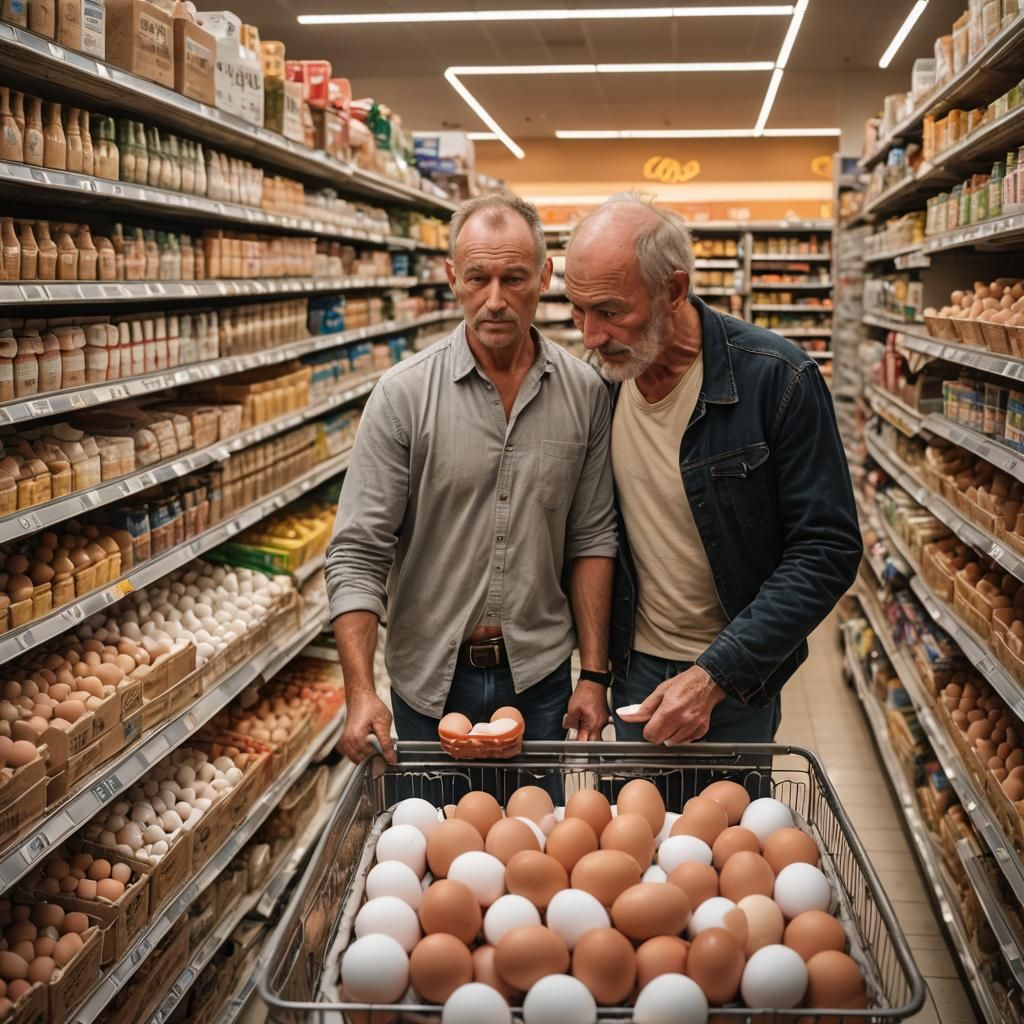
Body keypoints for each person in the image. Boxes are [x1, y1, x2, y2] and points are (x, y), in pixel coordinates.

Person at [325, 194, 618, 786]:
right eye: (478, 278)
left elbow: (591, 537)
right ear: (452, 277)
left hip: (539, 680)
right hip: (429, 679)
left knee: (534, 849)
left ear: (543, 276)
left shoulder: (585, 393)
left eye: (514, 279)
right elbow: (358, 552)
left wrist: (593, 674)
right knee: (427, 850)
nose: (495, 300)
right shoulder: (402, 396)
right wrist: (359, 691)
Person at [563, 195, 862, 771]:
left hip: (735, 677)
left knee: (728, 845)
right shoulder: (596, 388)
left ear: (674, 291)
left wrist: (715, 676)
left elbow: (827, 549)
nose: (591, 336)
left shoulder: (777, 379)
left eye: (609, 311)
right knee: (630, 850)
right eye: (577, 310)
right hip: (630, 672)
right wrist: (594, 671)